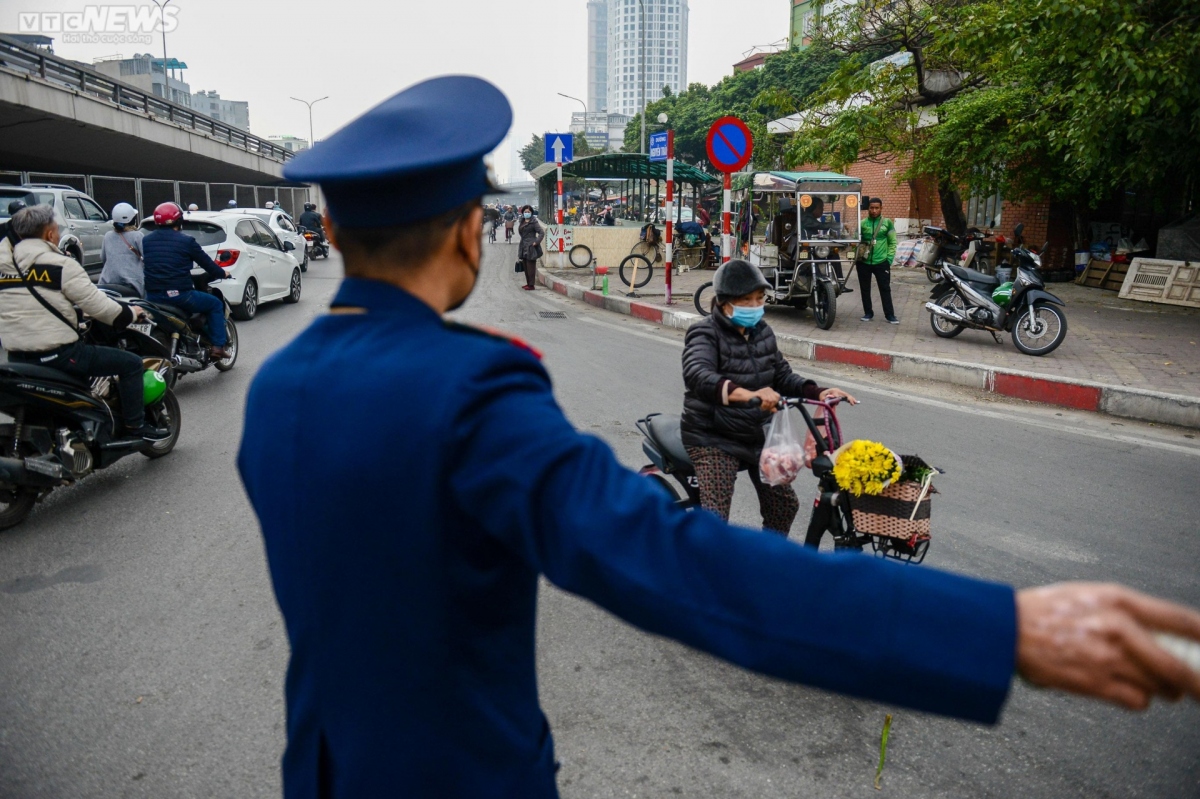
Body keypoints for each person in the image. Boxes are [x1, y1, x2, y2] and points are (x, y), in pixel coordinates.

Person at [237, 75, 1200, 799]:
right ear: (467, 233)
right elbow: (674, 564)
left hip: (320, 770)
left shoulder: (279, 387)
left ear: (328, 221)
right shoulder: (472, 390)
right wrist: (1000, 630)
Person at [682, 259, 856, 531]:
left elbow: (783, 376)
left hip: (756, 434)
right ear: (725, 303)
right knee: (715, 520)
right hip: (713, 436)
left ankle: (766, 562)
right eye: (746, 300)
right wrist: (747, 393)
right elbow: (698, 376)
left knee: (784, 506)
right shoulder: (704, 333)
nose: (754, 306)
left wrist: (820, 392)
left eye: (759, 299)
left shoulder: (763, 332)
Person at [0, 205, 166, 441]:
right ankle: (135, 427)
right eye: (56, 230)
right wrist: (131, 313)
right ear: (49, 234)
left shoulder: (4, 264)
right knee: (130, 364)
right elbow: (98, 306)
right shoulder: (61, 265)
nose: (58, 235)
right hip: (60, 355)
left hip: (17, 357)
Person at [142, 202, 231, 360]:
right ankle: (218, 346)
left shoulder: (146, 241)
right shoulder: (186, 241)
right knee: (215, 304)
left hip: (152, 297)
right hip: (180, 296)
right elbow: (209, 266)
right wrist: (223, 273)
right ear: (179, 221)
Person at [858, 196, 899, 323]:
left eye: (877, 208)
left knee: (885, 288)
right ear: (868, 209)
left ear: (881, 208)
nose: (874, 211)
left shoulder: (887, 223)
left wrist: (889, 259)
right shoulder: (862, 223)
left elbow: (892, 242)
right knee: (865, 289)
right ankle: (868, 313)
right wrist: (856, 256)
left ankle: (890, 315)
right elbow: (856, 241)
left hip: (881, 262)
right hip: (863, 262)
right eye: (871, 208)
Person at [98, 202, 145, 297]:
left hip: (107, 283)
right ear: (132, 220)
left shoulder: (108, 236)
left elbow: (103, 258)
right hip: (132, 284)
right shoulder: (137, 236)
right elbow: (147, 257)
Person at [517, 204, 543, 291]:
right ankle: (528, 283)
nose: (527, 213)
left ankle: (531, 285)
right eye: (525, 212)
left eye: (528, 212)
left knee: (531, 266)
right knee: (525, 266)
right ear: (523, 213)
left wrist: (536, 242)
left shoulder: (534, 222)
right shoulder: (522, 221)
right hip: (523, 245)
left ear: (531, 212)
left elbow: (541, 233)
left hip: (531, 246)